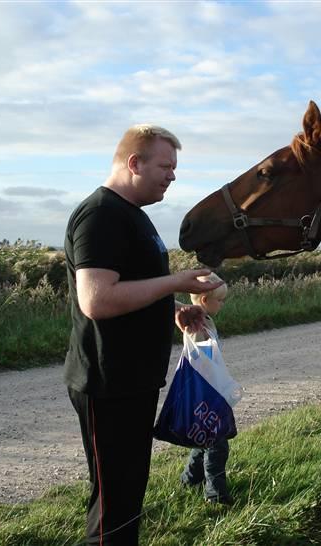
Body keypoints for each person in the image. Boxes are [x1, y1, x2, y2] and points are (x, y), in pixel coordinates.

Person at [63, 124, 222, 546]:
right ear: (134, 163)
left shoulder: (133, 215)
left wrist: (171, 311)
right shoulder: (101, 214)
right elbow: (96, 300)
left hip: (133, 378)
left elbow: (129, 287)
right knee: (114, 499)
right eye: (165, 166)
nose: (172, 175)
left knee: (129, 491)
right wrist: (175, 282)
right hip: (107, 380)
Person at [179, 272, 235, 505]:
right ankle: (216, 496)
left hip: (212, 390)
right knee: (217, 446)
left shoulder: (206, 321)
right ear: (204, 300)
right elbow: (200, 361)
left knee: (205, 443)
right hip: (205, 393)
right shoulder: (197, 328)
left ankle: (189, 480)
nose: (222, 304)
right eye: (220, 300)